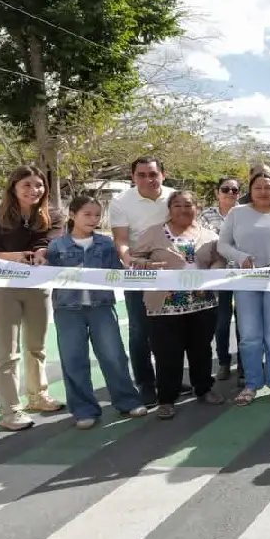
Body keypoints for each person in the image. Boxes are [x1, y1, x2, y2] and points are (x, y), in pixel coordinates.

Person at [42, 196, 148, 429]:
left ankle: (127, 401)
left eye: (97, 215)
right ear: (72, 215)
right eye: (87, 214)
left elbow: (116, 273)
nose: (93, 219)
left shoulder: (106, 244)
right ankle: (84, 410)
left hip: (102, 307)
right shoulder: (57, 247)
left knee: (114, 356)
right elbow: (46, 275)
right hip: (68, 310)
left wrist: (138, 267)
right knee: (74, 359)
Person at [130, 191, 227, 418]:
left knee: (201, 350)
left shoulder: (209, 235)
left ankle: (204, 388)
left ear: (197, 207)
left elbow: (219, 258)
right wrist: (148, 265)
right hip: (164, 305)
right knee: (166, 353)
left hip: (202, 303)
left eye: (188, 205)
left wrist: (215, 270)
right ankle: (166, 398)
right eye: (177, 205)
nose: (183, 209)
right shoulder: (154, 233)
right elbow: (135, 258)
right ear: (169, 208)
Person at [0, 165, 64, 431]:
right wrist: (17, 257)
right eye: (26, 185)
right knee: (6, 352)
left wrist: (40, 254)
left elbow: (46, 241)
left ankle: (38, 396)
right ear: (14, 187)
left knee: (36, 347)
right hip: (2, 287)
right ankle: (10, 410)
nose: (33, 190)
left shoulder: (53, 215)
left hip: (37, 286)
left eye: (38, 185)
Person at [217, 172, 270, 406]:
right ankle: (252, 383)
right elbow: (223, 244)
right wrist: (240, 256)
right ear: (251, 190)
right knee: (249, 335)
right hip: (245, 280)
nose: (264, 192)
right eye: (258, 188)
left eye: (269, 187)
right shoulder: (237, 213)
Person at [108, 156, 176, 406]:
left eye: (153, 174)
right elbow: (121, 239)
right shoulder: (120, 201)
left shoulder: (174, 196)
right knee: (140, 330)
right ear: (133, 177)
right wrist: (131, 261)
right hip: (138, 272)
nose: (149, 179)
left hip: (171, 272)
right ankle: (146, 384)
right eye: (142, 175)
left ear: (163, 174)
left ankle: (170, 379)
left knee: (171, 328)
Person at [199, 176, 240, 381]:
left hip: (244, 275)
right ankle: (224, 361)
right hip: (219, 276)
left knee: (245, 323)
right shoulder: (206, 215)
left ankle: (244, 363)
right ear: (217, 192)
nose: (230, 193)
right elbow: (204, 242)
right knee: (221, 323)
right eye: (226, 189)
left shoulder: (245, 213)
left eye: (234, 190)